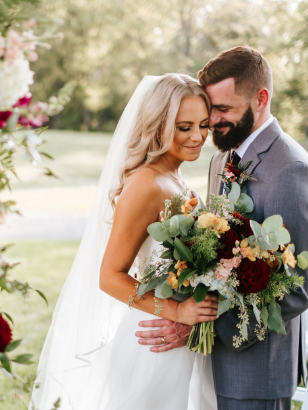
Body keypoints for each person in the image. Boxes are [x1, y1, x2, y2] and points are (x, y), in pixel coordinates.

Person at [136, 47, 308, 410]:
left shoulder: (292, 171)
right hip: (207, 364)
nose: (214, 120)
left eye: (224, 109)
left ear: (261, 98)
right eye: (211, 109)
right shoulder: (222, 158)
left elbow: (295, 290)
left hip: (255, 373)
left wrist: (199, 326)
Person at [29, 74, 218, 410]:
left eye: (203, 125)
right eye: (184, 126)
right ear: (158, 125)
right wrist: (176, 310)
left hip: (179, 340)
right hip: (154, 341)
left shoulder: (173, 176)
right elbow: (109, 275)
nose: (198, 137)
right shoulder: (146, 183)